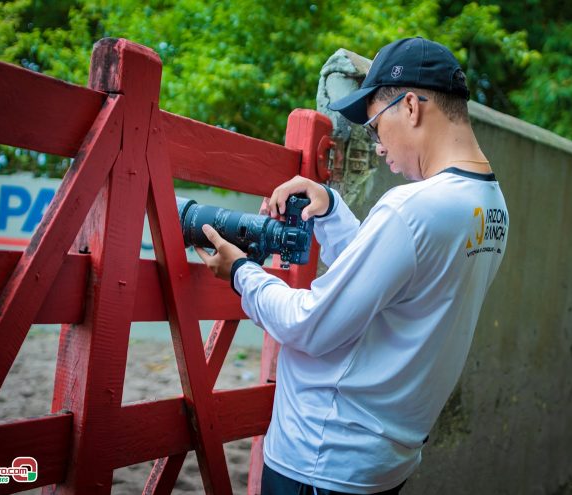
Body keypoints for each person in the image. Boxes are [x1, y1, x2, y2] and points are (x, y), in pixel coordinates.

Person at [196, 37, 509, 495]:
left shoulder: (413, 208)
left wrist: (242, 273)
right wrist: (331, 209)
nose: (377, 145)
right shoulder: (490, 205)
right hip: (384, 460)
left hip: (322, 459)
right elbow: (392, 283)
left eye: (376, 125)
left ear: (412, 108)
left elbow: (310, 325)